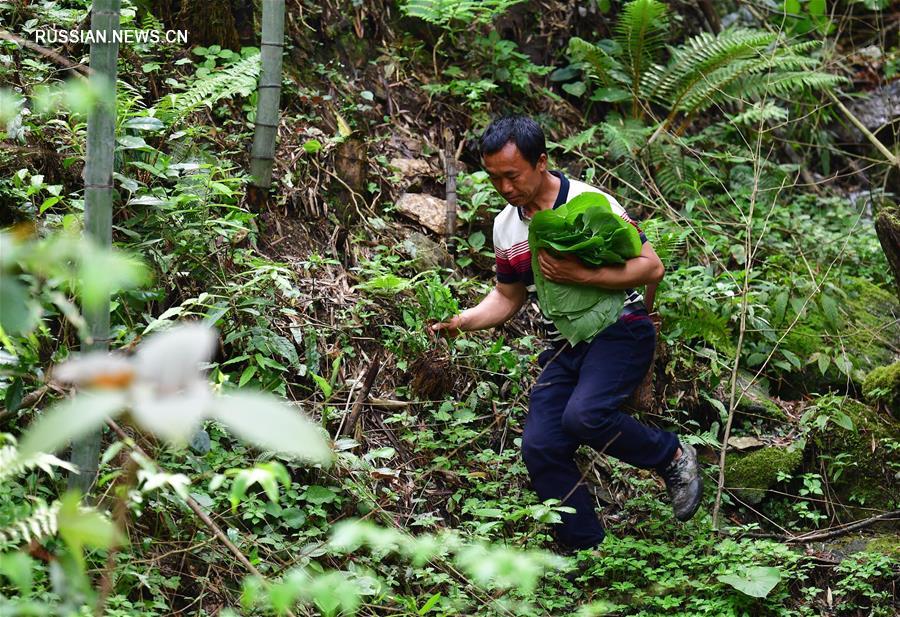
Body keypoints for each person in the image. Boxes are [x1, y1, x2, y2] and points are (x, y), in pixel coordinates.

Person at [431, 116, 702, 551]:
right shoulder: (506, 227)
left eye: (512, 175)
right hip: (565, 345)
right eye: (494, 177)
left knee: (585, 417)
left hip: (619, 329)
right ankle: (587, 549)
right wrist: (461, 321)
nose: (504, 187)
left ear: (541, 162)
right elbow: (507, 297)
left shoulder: (589, 202)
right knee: (540, 446)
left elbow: (652, 267)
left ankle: (671, 456)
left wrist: (581, 272)